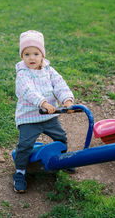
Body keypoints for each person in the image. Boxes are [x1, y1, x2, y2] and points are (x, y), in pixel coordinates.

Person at [13, 30, 75, 193]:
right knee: (25, 145)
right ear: (22, 56)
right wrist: (43, 102)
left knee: (61, 137)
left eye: (35, 53)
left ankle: (63, 160)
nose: (31, 58)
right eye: (27, 54)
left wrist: (67, 100)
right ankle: (20, 172)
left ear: (42, 55)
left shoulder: (49, 70)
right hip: (29, 118)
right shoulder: (22, 74)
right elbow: (27, 91)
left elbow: (59, 84)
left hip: (48, 117)